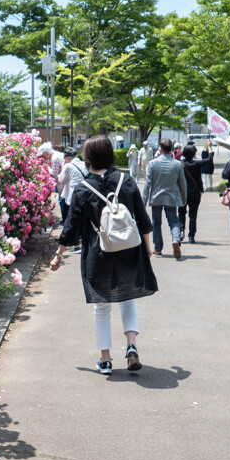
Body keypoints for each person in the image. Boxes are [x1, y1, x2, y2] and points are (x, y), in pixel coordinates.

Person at [51, 134, 157, 374]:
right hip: (130, 250)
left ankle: (106, 360)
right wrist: (148, 247)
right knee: (127, 299)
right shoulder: (126, 181)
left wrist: (58, 254)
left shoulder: (83, 188)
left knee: (102, 307)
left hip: (98, 254)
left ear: (88, 158)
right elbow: (143, 219)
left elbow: (70, 227)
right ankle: (131, 345)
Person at [142, 138, 187, 259]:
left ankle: (158, 248)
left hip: (156, 197)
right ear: (171, 149)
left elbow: (147, 184)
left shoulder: (152, 163)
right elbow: (183, 184)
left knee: (156, 222)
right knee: (173, 220)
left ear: (159, 149)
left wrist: (143, 201)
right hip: (171, 198)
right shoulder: (177, 164)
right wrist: (184, 199)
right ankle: (176, 239)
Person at [178, 143, 213, 244]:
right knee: (193, 215)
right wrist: (210, 147)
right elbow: (209, 160)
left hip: (182, 193)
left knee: (181, 213)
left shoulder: (181, 165)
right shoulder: (197, 164)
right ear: (193, 154)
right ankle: (191, 236)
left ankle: (181, 231)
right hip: (195, 193)